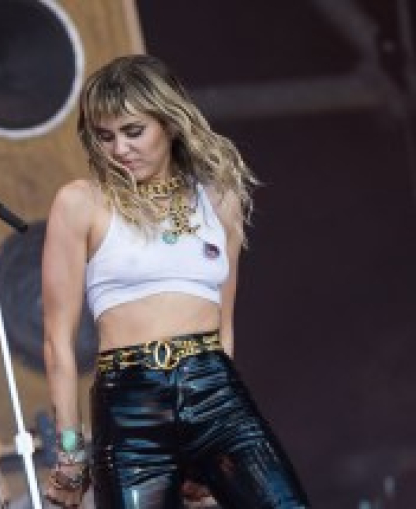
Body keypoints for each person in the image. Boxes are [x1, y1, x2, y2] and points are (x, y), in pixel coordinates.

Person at [40, 55, 309, 508]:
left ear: (168, 123)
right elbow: (56, 342)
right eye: (105, 136)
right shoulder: (81, 203)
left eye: (133, 131)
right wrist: (70, 451)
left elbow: (223, 323)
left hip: (215, 393)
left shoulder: (218, 198)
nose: (120, 149)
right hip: (130, 405)